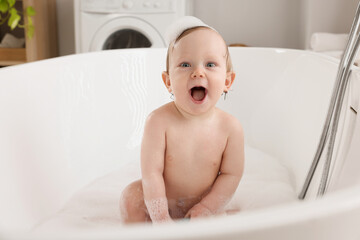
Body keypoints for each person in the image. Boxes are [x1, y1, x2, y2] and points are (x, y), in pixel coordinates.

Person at [119, 16, 244, 224]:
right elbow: (152, 174)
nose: (197, 72)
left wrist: (207, 207)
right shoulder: (158, 122)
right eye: (185, 64)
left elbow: (231, 175)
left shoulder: (230, 128)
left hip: (205, 202)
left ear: (227, 81)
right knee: (131, 198)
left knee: (231, 218)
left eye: (210, 64)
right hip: (159, 201)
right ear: (168, 81)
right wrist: (160, 216)